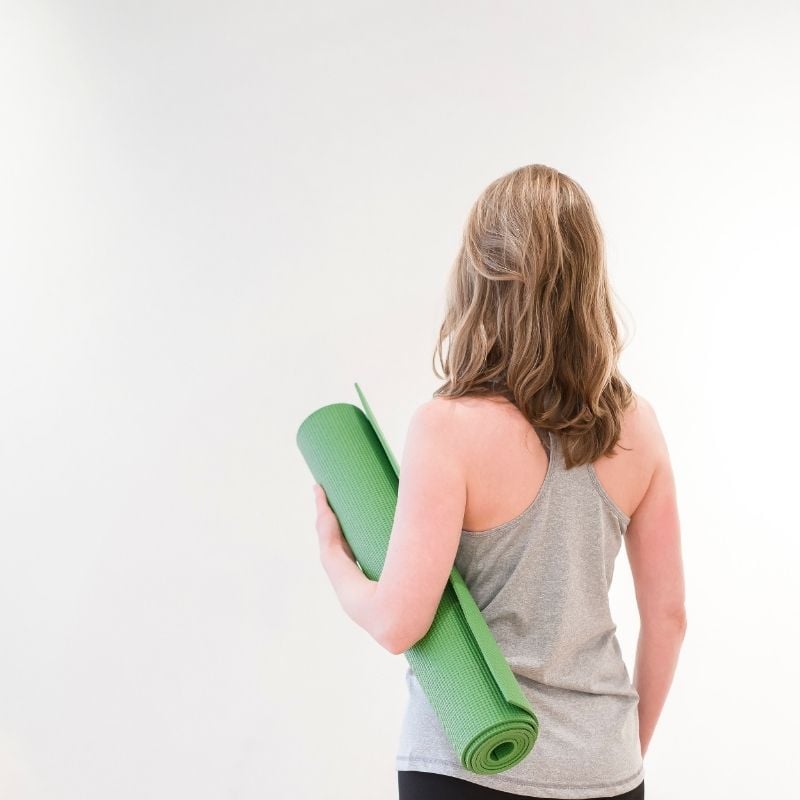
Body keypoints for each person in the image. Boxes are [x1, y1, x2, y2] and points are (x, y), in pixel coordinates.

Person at [312, 164, 686, 799]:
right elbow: (669, 616)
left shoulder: (448, 428)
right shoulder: (638, 428)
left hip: (469, 764)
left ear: (480, 278)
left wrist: (334, 559)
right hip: (605, 771)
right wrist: (618, 750)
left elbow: (398, 623)